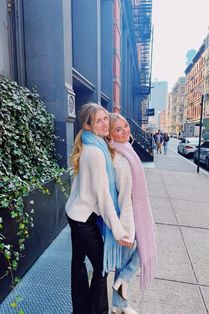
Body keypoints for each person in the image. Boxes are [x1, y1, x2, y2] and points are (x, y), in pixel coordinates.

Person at [65, 103, 130, 314]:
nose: (105, 124)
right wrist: (119, 230)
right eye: (99, 120)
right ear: (88, 125)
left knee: (78, 263)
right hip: (83, 219)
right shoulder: (95, 152)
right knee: (101, 268)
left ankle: (81, 310)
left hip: (75, 213)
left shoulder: (91, 144)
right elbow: (104, 198)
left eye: (105, 119)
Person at [108, 113, 157, 314]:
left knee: (142, 248)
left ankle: (120, 296)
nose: (125, 131)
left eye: (126, 126)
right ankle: (120, 303)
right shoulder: (121, 160)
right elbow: (125, 198)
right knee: (125, 262)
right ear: (110, 135)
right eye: (118, 130)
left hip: (138, 214)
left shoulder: (127, 150)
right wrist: (126, 230)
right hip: (129, 218)